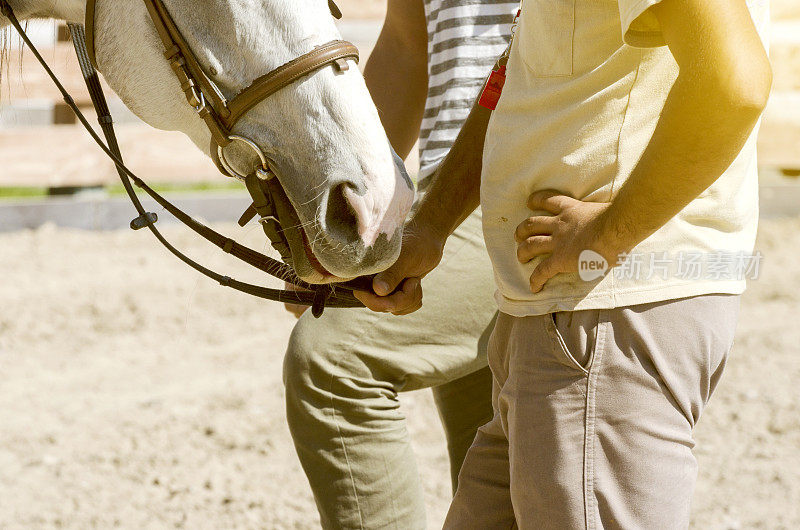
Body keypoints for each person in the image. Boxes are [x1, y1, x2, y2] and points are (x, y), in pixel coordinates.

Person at [356, 0, 772, 527]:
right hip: (559, 321)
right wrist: (432, 224)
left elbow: (734, 86)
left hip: (601, 320)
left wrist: (608, 233)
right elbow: (517, 74)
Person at [282, 1, 518, 528]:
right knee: (498, 488)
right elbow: (409, 47)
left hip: (528, 184)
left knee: (334, 360)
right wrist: (342, 216)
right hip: (446, 189)